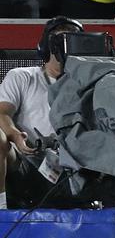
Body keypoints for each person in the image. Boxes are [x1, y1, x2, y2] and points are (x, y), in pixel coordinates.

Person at [0, 16, 81, 209]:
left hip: (75, 170)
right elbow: (2, 113)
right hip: (26, 166)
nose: (65, 49)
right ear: (46, 46)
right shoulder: (22, 76)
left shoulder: (92, 84)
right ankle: (1, 210)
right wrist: (15, 135)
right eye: (59, 43)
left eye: (71, 42)